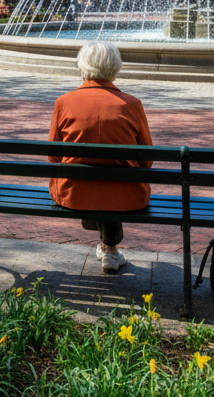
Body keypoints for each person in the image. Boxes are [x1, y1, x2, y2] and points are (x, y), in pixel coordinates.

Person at [47, 41, 154, 275]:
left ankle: (108, 247)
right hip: (127, 196)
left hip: (73, 193)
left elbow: (54, 157)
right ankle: (110, 249)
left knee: (93, 188)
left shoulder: (63, 102)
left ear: (82, 66)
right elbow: (147, 161)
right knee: (112, 187)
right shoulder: (132, 104)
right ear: (115, 67)